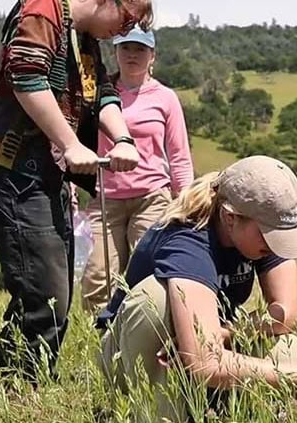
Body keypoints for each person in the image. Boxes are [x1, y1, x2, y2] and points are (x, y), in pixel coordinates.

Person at [0, 0, 153, 383]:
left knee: (50, 295)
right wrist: (71, 145)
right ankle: (19, 392)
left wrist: (121, 138)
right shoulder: (43, 10)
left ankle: (17, 386)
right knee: (44, 295)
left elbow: (102, 91)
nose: (124, 32)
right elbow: (26, 77)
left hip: (46, 178)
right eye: (126, 19)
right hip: (13, 174)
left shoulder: (83, 37)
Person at [97, 156, 297, 421]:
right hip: (131, 353)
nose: (277, 245)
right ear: (230, 218)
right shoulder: (189, 241)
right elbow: (206, 363)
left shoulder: (259, 226)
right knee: (157, 298)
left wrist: (227, 332)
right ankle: (155, 413)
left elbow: (285, 315)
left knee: (289, 351)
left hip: (205, 341)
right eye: (270, 235)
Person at [80, 27, 195, 313]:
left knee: (149, 270)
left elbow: (179, 156)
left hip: (152, 197)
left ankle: (145, 331)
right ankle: (102, 341)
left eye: (140, 49)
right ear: (115, 52)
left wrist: (187, 203)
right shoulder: (99, 93)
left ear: (152, 55)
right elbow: (78, 141)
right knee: (97, 275)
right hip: (105, 198)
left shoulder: (166, 98)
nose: (132, 54)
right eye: (126, 48)